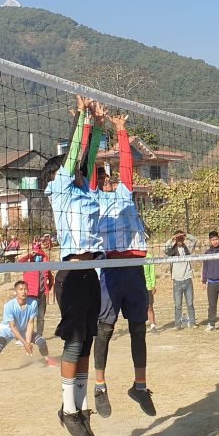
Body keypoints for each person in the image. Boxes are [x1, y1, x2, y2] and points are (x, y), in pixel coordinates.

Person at [43, 96, 104, 436]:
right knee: (74, 342)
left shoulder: (84, 190)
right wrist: (81, 117)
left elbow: (88, 156)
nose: (79, 169)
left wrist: (94, 123)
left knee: (86, 344)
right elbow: (74, 159)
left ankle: (79, 409)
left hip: (91, 274)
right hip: (71, 274)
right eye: (71, 167)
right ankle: (67, 409)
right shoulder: (60, 189)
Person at [92, 112, 155, 419]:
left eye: (109, 177)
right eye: (102, 177)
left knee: (138, 329)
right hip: (111, 269)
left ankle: (139, 386)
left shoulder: (125, 192)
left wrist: (121, 131)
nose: (107, 180)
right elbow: (89, 164)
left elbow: (127, 165)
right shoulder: (92, 199)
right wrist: (94, 126)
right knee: (104, 330)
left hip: (135, 268)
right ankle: (100, 387)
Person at [0, 280, 58, 377]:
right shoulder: (9, 306)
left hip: (22, 329)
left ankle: (47, 359)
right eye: (20, 289)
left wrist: (28, 342)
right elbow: (12, 327)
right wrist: (25, 343)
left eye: (25, 289)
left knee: (41, 341)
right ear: (16, 291)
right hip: (7, 330)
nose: (23, 292)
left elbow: (30, 323)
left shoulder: (33, 303)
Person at [164, 230, 199, 329]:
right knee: (178, 305)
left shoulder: (187, 248)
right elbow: (165, 248)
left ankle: (192, 323)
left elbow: (195, 240)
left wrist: (186, 235)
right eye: (178, 238)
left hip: (187, 279)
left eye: (181, 238)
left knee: (190, 303)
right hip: (177, 281)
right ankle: (177, 325)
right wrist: (172, 238)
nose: (180, 240)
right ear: (175, 239)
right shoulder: (172, 250)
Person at [19, 248, 51, 336]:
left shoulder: (45, 266)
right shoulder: (27, 265)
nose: (38, 257)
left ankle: (39, 336)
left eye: (39, 255)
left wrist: (47, 289)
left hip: (42, 295)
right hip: (30, 296)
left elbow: (50, 278)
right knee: (29, 317)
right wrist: (30, 255)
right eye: (36, 255)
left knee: (41, 318)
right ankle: (26, 335)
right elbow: (19, 262)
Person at [145, 253, 158, 333]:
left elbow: (152, 272)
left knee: (150, 306)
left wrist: (153, 285)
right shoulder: (134, 256)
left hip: (148, 286)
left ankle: (153, 325)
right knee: (138, 307)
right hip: (137, 286)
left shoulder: (149, 256)